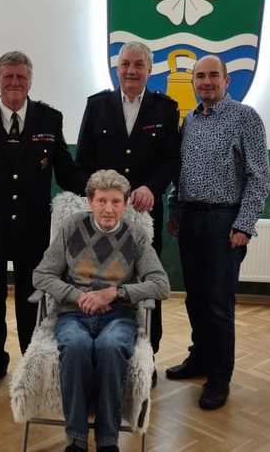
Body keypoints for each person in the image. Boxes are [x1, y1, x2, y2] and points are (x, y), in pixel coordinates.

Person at [0, 51, 86, 391]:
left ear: (30, 80)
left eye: (21, 77)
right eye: (8, 76)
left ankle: (31, 360)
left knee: (32, 298)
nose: (14, 82)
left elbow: (66, 171)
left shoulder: (49, 118)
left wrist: (98, 188)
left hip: (32, 229)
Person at [33, 169, 170, 452]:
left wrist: (116, 293)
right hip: (74, 314)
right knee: (76, 346)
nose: (108, 209)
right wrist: (78, 296)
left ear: (126, 203)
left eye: (116, 201)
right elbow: (42, 275)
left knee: (110, 347)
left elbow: (161, 285)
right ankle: (76, 439)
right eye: (102, 201)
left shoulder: (136, 236)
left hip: (118, 315)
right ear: (90, 202)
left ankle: (108, 441)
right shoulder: (72, 227)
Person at [166, 54, 270, 410]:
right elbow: (180, 172)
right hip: (190, 220)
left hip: (224, 222)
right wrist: (175, 211)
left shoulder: (246, 117)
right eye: (200, 76)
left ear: (227, 81)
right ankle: (200, 358)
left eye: (213, 75)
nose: (206, 82)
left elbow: (260, 177)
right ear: (193, 82)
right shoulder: (190, 121)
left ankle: (219, 377)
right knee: (195, 298)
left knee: (218, 304)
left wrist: (244, 224)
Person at [76, 41, 179, 361]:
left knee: (147, 281)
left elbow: (171, 160)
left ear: (149, 69)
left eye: (138, 65)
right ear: (117, 68)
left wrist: (152, 187)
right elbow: (84, 160)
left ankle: (148, 355)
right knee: (101, 277)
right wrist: (99, 195)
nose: (131, 71)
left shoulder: (165, 108)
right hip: (104, 215)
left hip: (145, 214)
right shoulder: (97, 105)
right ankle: (100, 350)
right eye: (125, 65)